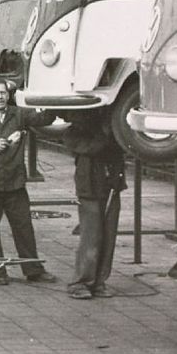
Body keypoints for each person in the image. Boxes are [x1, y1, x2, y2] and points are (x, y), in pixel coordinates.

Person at [0, 77, 58, 285]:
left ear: (9, 95)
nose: (0, 97)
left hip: (14, 183)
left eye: (3, 93)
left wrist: (54, 96)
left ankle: (33, 270)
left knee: (23, 225)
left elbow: (44, 119)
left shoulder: (18, 115)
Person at [67, 114, 126, 299]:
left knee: (108, 236)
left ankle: (99, 282)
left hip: (112, 184)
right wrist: (108, 136)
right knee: (91, 236)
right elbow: (89, 147)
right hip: (90, 187)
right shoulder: (76, 130)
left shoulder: (114, 126)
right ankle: (81, 282)